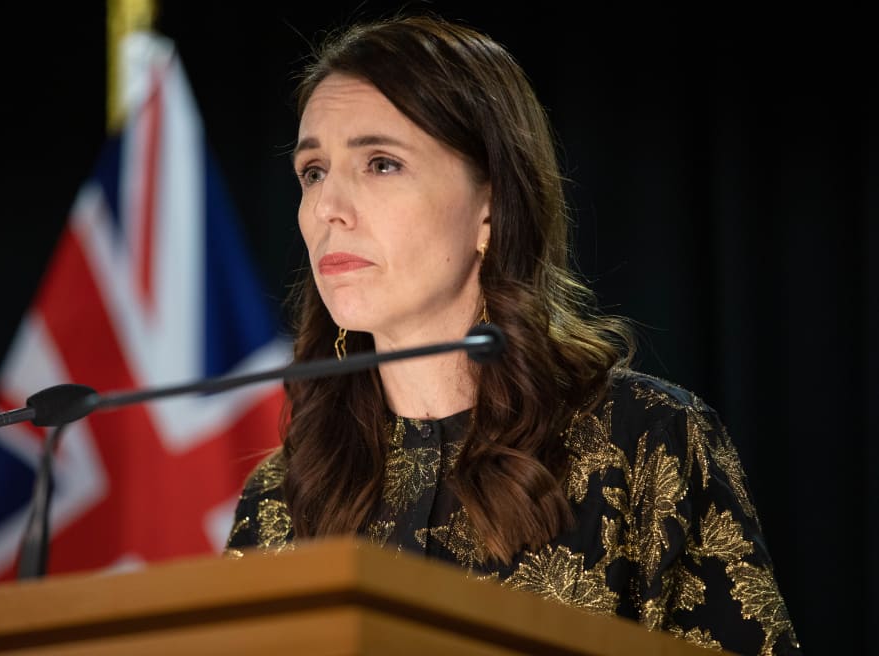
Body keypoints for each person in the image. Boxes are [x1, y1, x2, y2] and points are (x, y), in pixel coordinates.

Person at [225, 14, 801, 656]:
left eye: (381, 164)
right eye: (313, 171)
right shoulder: (282, 495)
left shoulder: (647, 442)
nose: (328, 206)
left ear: (491, 209)